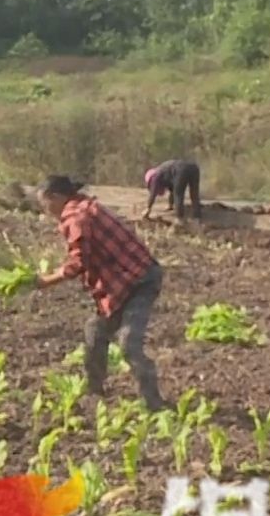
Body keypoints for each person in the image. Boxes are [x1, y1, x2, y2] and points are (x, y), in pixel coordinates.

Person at [35, 175, 170, 412]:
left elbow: (78, 263)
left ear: (56, 198)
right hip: (120, 282)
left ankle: (154, 404)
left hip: (140, 281)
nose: (45, 210)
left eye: (44, 204)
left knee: (129, 342)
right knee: (95, 332)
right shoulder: (82, 206)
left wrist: (46, 281)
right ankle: (94, 392)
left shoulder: (77, 216)